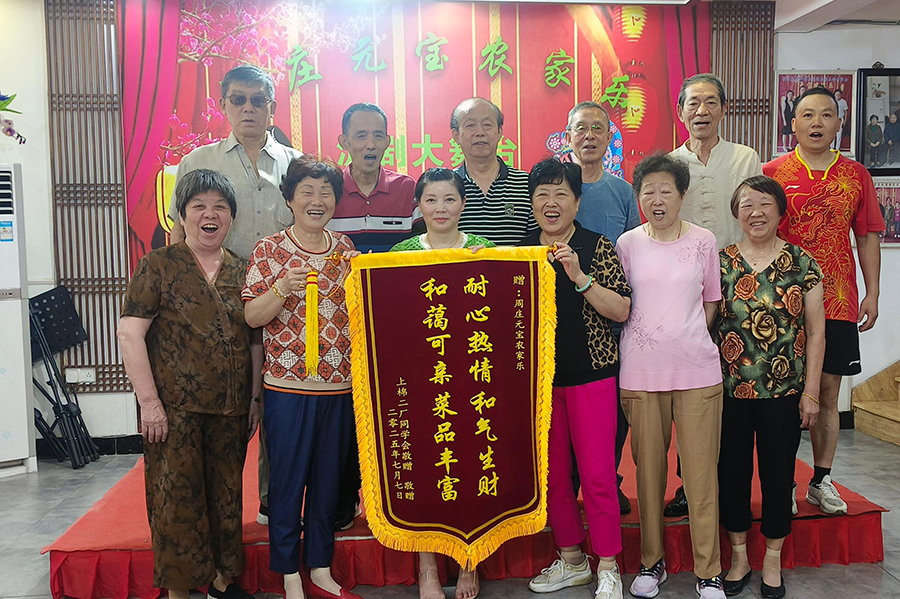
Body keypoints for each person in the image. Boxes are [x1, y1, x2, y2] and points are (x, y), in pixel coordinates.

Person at [167, 64, 302, 527]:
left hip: (285, 301)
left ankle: (271, 500)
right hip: (218, 299)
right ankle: (215, 508)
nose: (248, 108)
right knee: (225, 400)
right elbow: (178, 236)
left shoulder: (294, 164)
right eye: (238, 100)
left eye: (257, 100)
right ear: (223, 105)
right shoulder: (198, 162)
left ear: (271, 107)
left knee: (277, 400)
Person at [118, 169, 262, 599]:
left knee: (227, 496)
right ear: (181, 215)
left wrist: (254, 399)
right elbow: (130, 334)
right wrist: (150, 404)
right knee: (176, 501)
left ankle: (222, 580)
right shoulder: (158, 265)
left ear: (231, 217)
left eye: (220, 206)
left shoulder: (243, 268)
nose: (209, 214)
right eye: (198, 206)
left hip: (231, 408)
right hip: (174, 411)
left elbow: (255, 340)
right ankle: (179, 590)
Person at [243, 157, 362, 599]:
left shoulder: (346, 250)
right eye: (307, 191)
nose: (317, 200)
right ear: (289, 198)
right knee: (288, 482)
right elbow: (251, 316)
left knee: (328, 483)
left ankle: (319, 566)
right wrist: (281, 288)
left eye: (326, 191)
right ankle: (288, 571)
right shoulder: (269, 249)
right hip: (287, 389)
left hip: (339, 388)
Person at [764, 87, 885, 517]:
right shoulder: (772, 172)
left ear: (839, 123)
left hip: (837, 298)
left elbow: (866, 236)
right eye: (808, 115)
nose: (817, 122)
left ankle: (821, 480)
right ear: (792, 124)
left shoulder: (856, 174)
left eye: (826, 115)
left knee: (828, 394)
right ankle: (782, 481)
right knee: (783, 395)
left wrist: (873, 292)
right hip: (781, 301)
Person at [616, 154, 725, 599]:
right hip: (641, 373)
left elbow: (711, 301)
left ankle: (709, 571)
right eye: (648, 192)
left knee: (701, 476)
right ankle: (651, 563)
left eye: (666, 191)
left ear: (682, 195)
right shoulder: (626, 244)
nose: (657, 200)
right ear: (638, 197)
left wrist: (686, 335)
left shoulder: (703, 241)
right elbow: (621, 303)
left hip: (698, 370)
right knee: (648, 476)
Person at [521, 158, 631, 599]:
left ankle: (608, 565)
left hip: (592, 377)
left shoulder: (596, 245)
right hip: (540, 384)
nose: (551, 203)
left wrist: (579, 277)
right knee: (552, 478)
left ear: (577, 201)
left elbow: (621, 310)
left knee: (599, 476)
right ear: (532, 202)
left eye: (561, 194)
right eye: (542, 194)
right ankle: (572, 560)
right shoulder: (522, 251)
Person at [716, 176, 825, 599]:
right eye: (746, 204)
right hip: (729, 393)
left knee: (778, 477)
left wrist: (811, 392)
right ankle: (739, 556)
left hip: (784, 393)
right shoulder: (721, 263)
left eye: (764, 203)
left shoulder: (802, 263)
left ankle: (774, 558)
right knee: (732, 474)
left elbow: (816, 333)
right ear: (736, 213)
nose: (756, 212)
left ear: (780, 211)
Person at [389, 167, 493, 599]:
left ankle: (469, 561)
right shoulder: (401, 252)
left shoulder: (484, 250)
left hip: (473, 376)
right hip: (421, 378)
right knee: (426, 467)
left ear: (463, 204)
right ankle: (427, 566)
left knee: (470, 462)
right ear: (419, 206)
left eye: (449, 199)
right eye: (431, 200)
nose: (440, 208)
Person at [666, 72, 762, 518]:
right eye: (693, 103)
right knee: (688, 391)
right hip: (684, 291)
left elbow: (758, 215)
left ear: (723, 109)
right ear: (680, 111)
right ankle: (689, 485)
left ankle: (727, 484)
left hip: (738, 286)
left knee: (732, 387)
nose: (701, 111)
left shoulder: (745, 157)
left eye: (710, 102)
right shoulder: (670, 163)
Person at [329, 102, 419, 531]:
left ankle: (396, 500)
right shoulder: (329, 189)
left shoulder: (407, 189)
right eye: (360, 135)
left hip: (396, 325)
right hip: (340, 324)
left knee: (394, 414)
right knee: (346, 417)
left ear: (388, 141)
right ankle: (345, 500)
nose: (369, 143)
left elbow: (422, 253)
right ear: (344, 141)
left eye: (377, 135)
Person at [564, 100, 642, 515]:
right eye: (581, 128)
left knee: (612, 414)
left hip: (610, 320)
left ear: (610, 136)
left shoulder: (622, 191)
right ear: (568, 137)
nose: (589, 136)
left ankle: (606, 479)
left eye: (598, 128)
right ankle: (568, 487)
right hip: (561, 320)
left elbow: (633, 256)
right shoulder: (556, 185)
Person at [450, 97, 538, 245]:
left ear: (499, 132)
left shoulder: (525, 183)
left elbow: (538, 241)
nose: (480, 132)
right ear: (456, 135)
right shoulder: (447, 187)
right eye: (470, 125)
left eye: (487, 125)